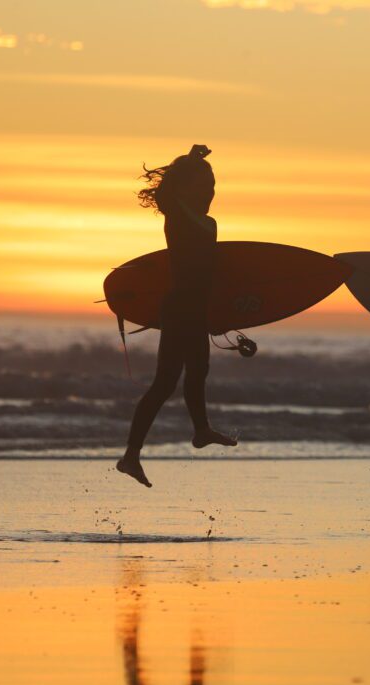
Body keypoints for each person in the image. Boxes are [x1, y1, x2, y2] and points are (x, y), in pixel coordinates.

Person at [117, 144, 237, 488]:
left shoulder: (210, 224)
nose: (210, 192)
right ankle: (131, 455)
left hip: (197, 309)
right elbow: (167, 196)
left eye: (213, 186)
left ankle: (201, 431)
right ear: (186, 188)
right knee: (165, 383)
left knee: (198, 371)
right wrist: (192, 159)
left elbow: (211, 275)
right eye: (204, 185)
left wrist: (220, 312)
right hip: (179, 307)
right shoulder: (178, 214)